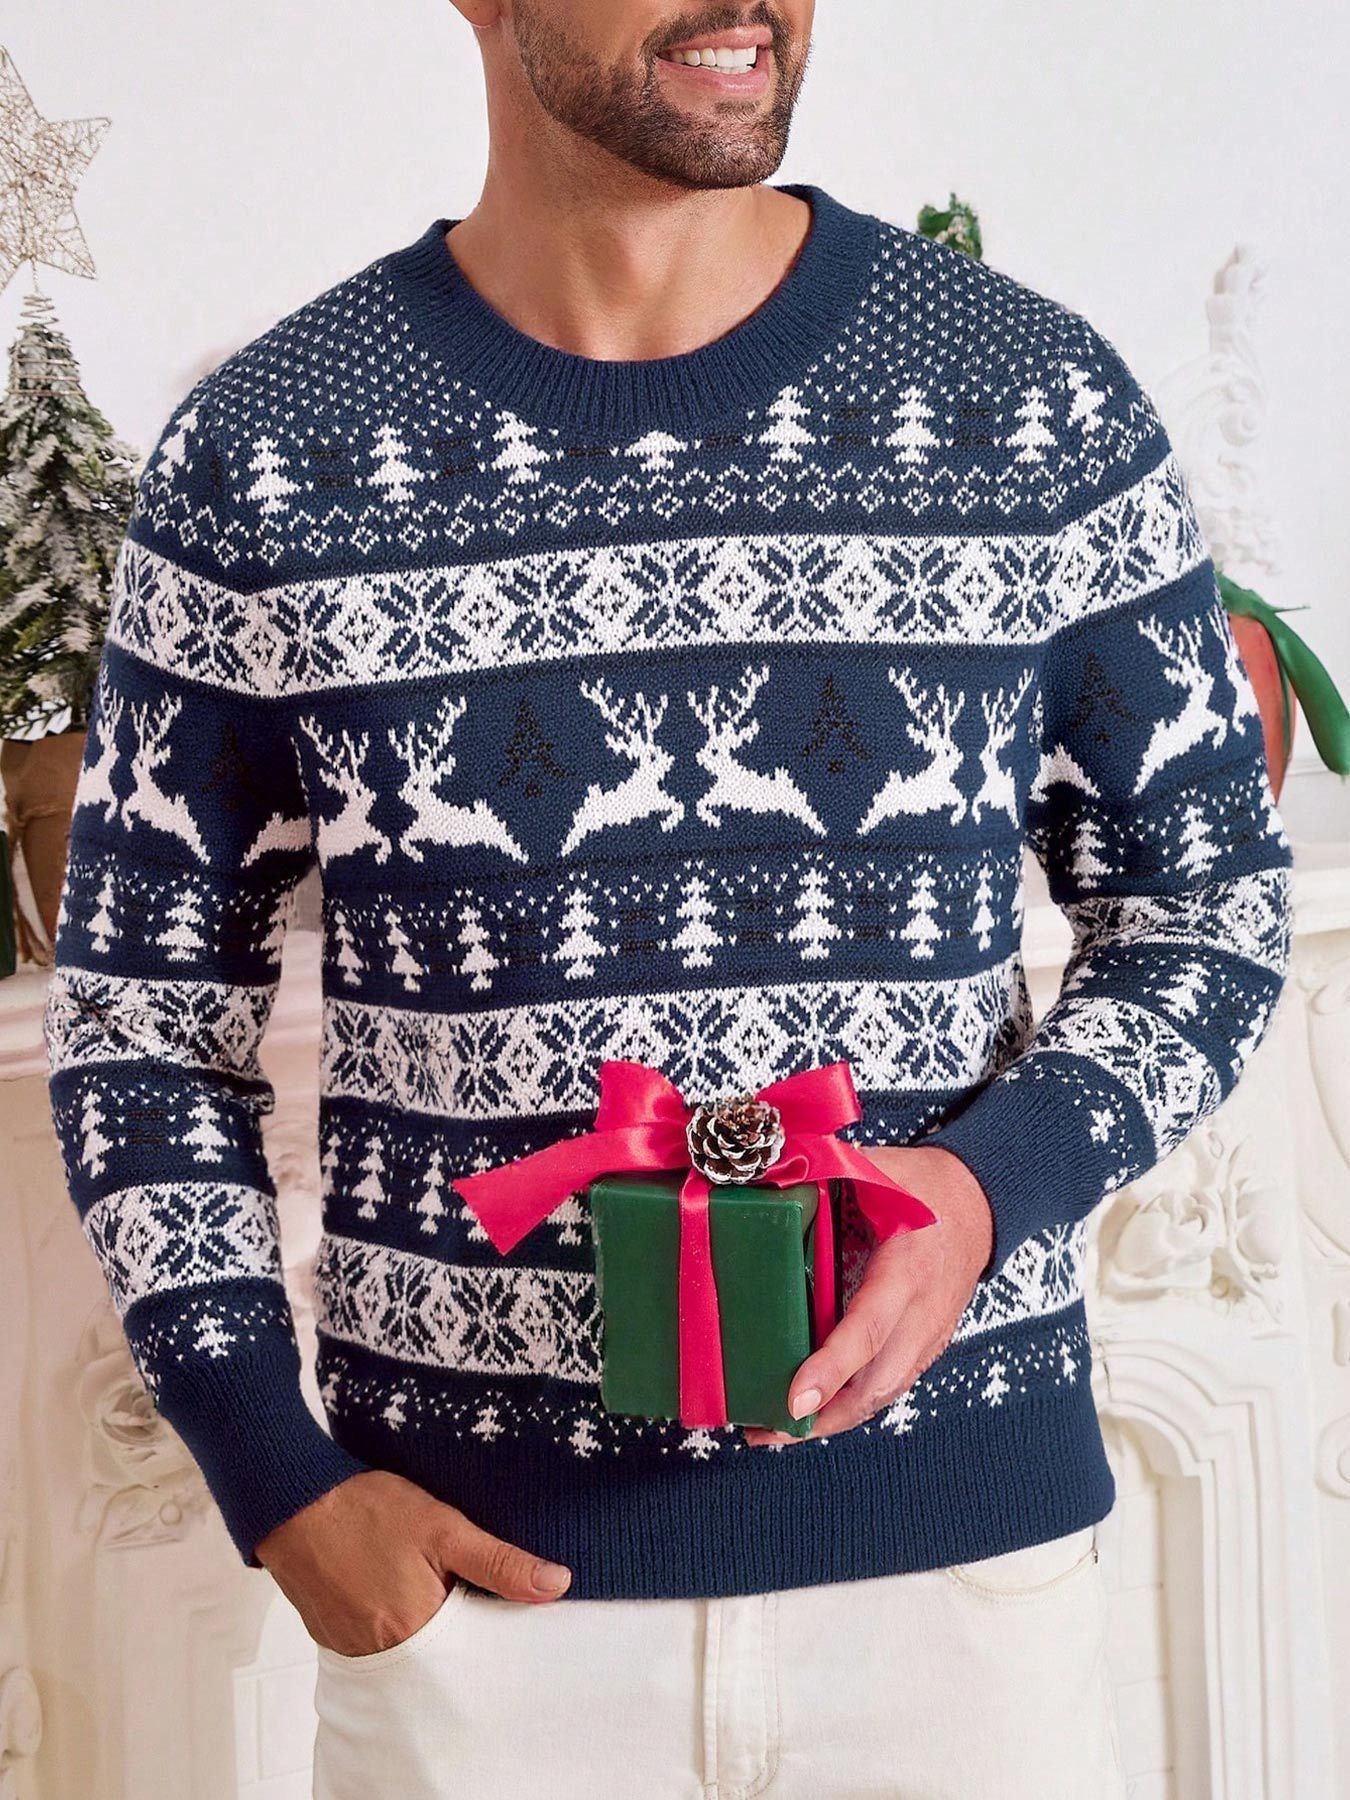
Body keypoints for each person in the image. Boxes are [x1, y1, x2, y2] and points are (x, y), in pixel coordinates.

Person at [44, 3, 1294, 1795]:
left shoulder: (1026, 401)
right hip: (477, 1626)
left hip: (960, 1607)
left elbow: (1203, 910)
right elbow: (144, 1024)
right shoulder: (267, 454)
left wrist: (983, 1187)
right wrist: (276, 1481)